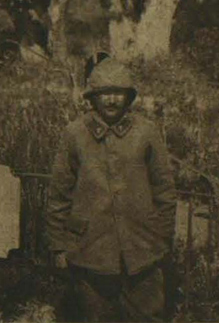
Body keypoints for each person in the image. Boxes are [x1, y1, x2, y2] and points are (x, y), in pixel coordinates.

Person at [47, 56, 176, 322]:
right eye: (104, 93)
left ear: (129, 97)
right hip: (91, 248)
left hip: (142, 248)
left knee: (147, 315)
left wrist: (160, 238)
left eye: (118, 93)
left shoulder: (146, 132)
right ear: (92, 97)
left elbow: (164, 190)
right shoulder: (75, 134)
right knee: (96, 315)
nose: (111, 100)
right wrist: (59, 246)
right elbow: (59, 194)